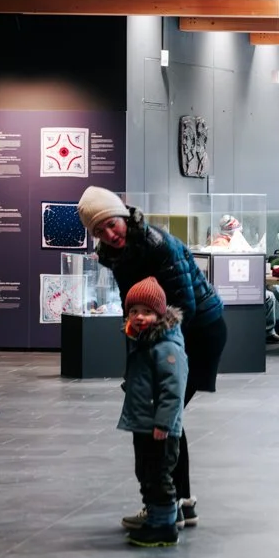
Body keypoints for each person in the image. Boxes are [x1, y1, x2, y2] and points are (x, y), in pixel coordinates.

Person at [78, 186, 225, 529]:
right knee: (166, 415)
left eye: (111, 224)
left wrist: (156, 351)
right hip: (165, 329)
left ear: (124, 214)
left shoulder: (159, 245)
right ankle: (180, 502)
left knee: (163, 416)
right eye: (99, 231)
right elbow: (133, 302)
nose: (109, 234)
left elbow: (183, 305)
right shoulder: (115, 253)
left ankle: (165, 507)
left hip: (196, 330)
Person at [115, 277, 187, 548]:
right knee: (145, 472)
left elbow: (173, 389)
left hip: (160, 428)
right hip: (143, 423)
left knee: (158, 476)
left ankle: (165, 526)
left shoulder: (167, 347)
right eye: (133, 312)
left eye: (146, 312)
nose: (139, 317)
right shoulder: (143, 341)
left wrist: (164, 422)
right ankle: (155, 518)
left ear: (159, 314)